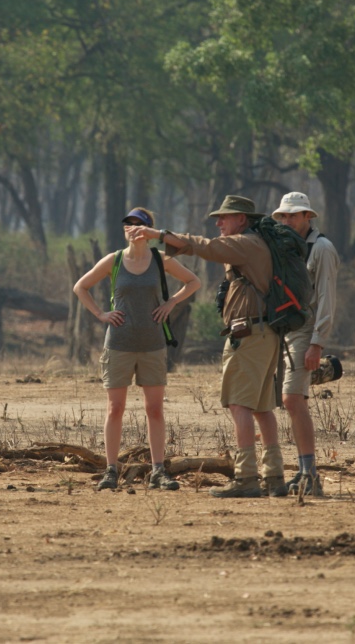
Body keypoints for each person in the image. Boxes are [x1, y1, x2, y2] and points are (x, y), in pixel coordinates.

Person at [132, 195, 284, 498]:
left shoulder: (245, 243)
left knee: (240, 405)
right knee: (263, 408)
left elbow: (206, 247)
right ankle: (274, 476)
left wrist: (159, 235)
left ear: (241, 219)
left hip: (249, 336)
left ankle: (246, 478)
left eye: (224, 218)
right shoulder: (254, 243)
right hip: (263, 334)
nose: (218, 224)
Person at [73, 208, 201, 491]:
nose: (133, 228)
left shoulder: (160, 259)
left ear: (149, 230)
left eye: (139, 224)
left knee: (154, 409)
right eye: (128, 224)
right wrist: (100, 314)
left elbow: (194, 282)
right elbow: (80, 287)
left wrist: (171, 303)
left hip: (153, 345)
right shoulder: (114, 260)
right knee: (115, 408)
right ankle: (110, 471)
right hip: (118, 343)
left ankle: (158, 471)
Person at [271, 192, 339, 496]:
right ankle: (302, 472)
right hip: (282, 330)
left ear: (307, 217)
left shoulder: (321, 248)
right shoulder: (284, 247)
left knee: (291, 399)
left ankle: (309, 474)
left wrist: (317, 344)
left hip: (306, 329)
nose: (287, 221)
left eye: (293, 216)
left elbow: (326, 297)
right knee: (285, 398)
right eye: (283, 216)